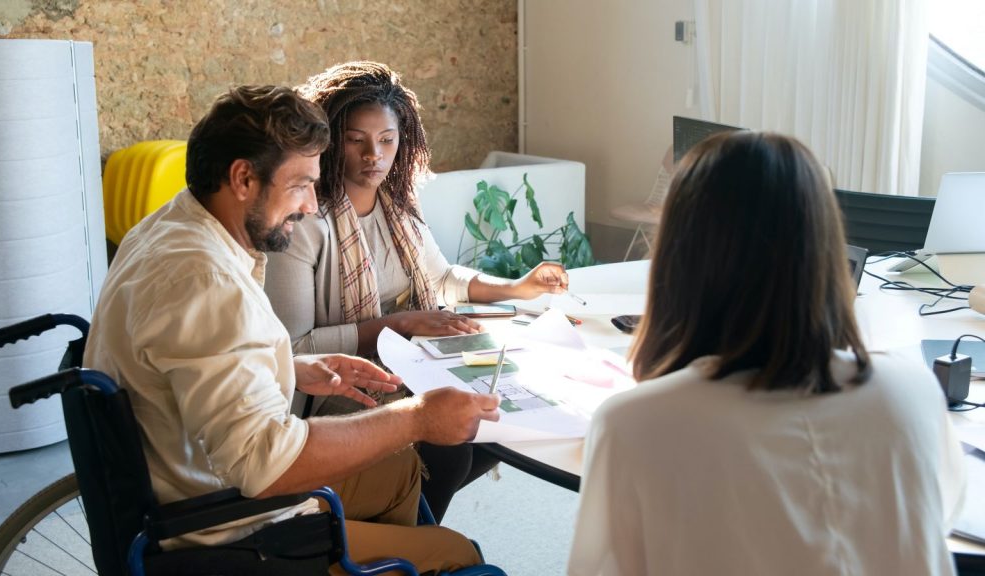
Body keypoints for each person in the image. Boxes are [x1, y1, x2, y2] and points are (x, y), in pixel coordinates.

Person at [84, 85, 500, 575]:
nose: (309, 206)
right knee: (460, 555)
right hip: (230, 527)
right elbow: (265, 466)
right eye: (300, 184)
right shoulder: (207, 279)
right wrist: (416, 419)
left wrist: (291, 366)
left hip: (184, 475)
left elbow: (187, 359)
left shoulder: (167, 227)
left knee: (403, 472)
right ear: (242, 178)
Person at [568, 132, 966, 576]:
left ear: (678, 258)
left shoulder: (635, 424)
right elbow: (941, 515)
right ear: (826, 250)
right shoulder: (913, 392)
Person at [264, 61, 567, 519]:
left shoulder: (397, 205)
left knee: (495, 421)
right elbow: (293, 349)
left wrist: (519, 287)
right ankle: (411, 538)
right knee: (450, 447)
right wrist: (395, 325)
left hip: (412, 363)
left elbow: (441, 278)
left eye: (386, 140)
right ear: (330, 141)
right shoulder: (305, 222)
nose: (374, 156)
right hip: (336, 392)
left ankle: (404, 517)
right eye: (356, 140)